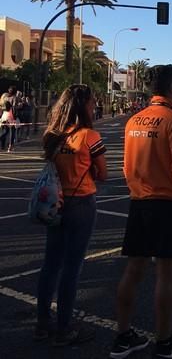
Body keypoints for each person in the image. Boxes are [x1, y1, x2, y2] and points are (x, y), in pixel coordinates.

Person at [113, 65, 172, 359]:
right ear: (169, 88)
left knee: (133, 269)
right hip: (167, 205)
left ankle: (123, 336)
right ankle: (164, 343)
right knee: (167, 274)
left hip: (139, 202)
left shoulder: (133, 121)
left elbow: (126, 166)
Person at [36, 85, 108, 346]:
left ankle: (42, 322)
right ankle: (65, 327)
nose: (94, 106)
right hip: (81, 203)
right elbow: (103, 174)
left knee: (50, 263)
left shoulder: (52, 135)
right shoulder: (89, 136)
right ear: (83, 106)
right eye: (92, 102)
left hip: (55, 202)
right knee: (72, 267)